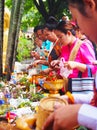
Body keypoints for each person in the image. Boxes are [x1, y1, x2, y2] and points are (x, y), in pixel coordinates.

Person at [42, 0, 97, 130]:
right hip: (73, 90)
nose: (79, 28)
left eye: (76, 19)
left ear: (90, 5)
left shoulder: (84, 44)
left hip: (82, 90)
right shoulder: (65, 48)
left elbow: (92, 69)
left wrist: (80, 113)